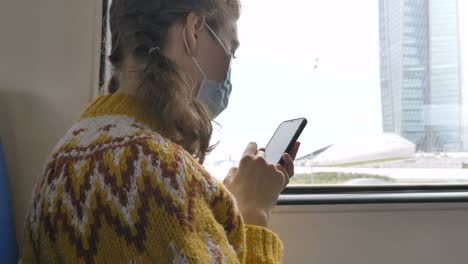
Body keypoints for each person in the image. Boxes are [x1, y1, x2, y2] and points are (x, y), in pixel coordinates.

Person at [21, 0, 300, 263]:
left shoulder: (63, 156)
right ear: (194, 31)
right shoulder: (160, 173)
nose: (229, 66)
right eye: (231, 50)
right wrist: (254, 214)